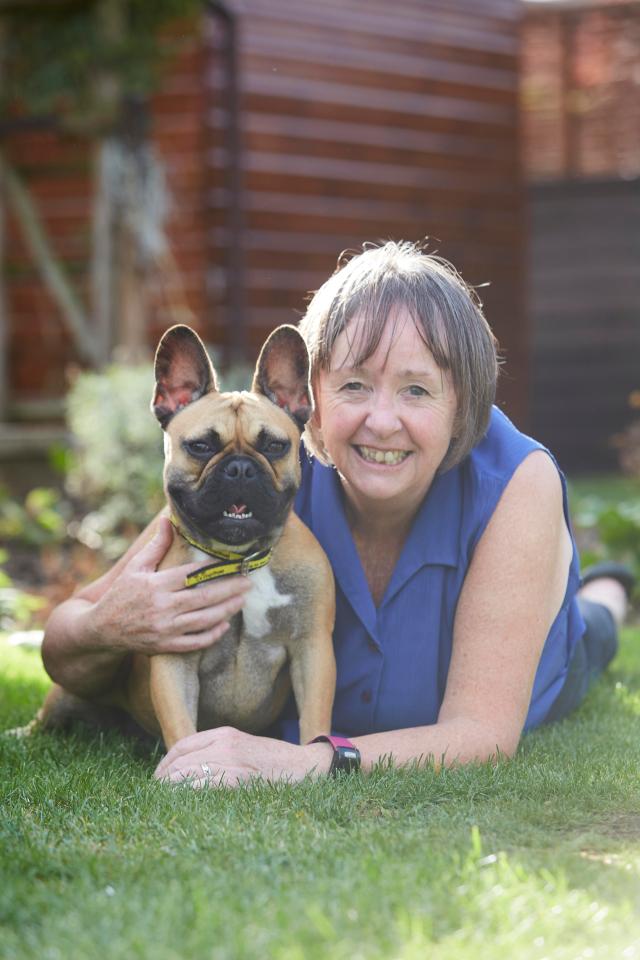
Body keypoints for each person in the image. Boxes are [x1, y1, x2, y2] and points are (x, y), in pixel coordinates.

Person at [41, 241, 633, 786]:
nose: (381, 420)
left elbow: (482, 734)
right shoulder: (263, 469)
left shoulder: (514, 482)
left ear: (465, 401)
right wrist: (110, 625)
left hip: (554, 661)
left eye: (417, 390)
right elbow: (66, 641)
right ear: (310, 397)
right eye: (354, 385)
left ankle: (608, 590)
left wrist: (306, 761)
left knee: (595, 632)